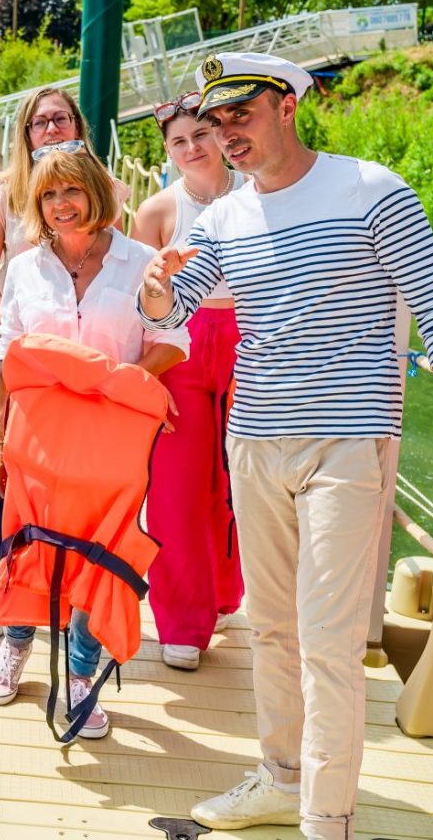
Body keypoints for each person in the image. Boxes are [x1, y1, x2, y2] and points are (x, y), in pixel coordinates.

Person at [139, 52, 433, 840]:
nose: (226, 133)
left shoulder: (371, 190)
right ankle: (281, 776)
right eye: (215, 119)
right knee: (270, 626)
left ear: (287, 106)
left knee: (328, 641)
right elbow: (176, 309)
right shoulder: (224, 217)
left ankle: (324, 820)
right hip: (255, 443)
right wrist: (158, 285)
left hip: (347, 442)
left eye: (242, 114)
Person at [0, 142, 188, 739]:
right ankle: (16, 647)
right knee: (29, 544)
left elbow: (177, 341)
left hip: (112, 444)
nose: (60, 204)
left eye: (71, 190)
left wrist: (121, 383)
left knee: (102, 554)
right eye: (48, 194)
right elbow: (8, 355)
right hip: (37, 441)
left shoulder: (140, 261)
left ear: (96, 192)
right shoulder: (23, 267)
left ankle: (79, 676)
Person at [0, 87, 95, 639]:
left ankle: (73, 594)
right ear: (25, 133)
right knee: (11, 475)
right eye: (40, 122)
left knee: (76, 477)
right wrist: (15, 330)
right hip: (17, 353)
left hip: (80, 356)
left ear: (77, 125)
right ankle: (6, 589)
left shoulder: (102, 189)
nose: (51, 129)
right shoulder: (4, 196)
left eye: (60, 119)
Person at [129, 92, 246, 671]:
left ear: (221, 134)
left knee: (235, 481)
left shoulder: (259, 194)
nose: (193, 146)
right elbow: (139, 301)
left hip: (252, 341)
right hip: (181, 347)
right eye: (179, 140)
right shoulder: (155, 213)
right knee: (176, 489)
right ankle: (181, 620)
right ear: (168, 151)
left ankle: (226, 591)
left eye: (202, 133)